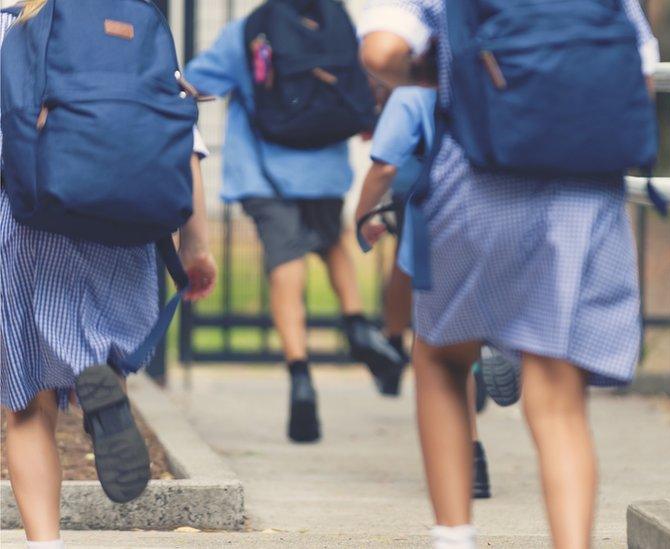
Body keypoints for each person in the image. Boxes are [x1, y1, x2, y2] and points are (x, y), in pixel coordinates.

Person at [358, 0, 659, 546]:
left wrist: (425, 75)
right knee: (558, 394)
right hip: (583, 193)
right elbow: (642, 78)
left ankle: (455, 535)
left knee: (442, 357)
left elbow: (380, 50)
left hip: (476, 182)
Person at [0, 2, 217, 547]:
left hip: (30, 211)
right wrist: (196, 245)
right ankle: (106, 391)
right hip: (124, 216)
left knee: (27, 404)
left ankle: (45, 542)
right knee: (106, 349)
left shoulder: (11, 25)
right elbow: (180, 140)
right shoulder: (135, 25)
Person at [184, 7, 406, 444]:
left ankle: (300, 375)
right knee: (332, 241)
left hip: (263, 172)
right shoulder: (337, 24)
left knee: (286, 260)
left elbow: (192, 84)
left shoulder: (247, 32)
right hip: (323, 166)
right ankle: (357, 323)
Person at [355, 57, 490, 499]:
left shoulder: (412, 96)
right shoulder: (494, 78)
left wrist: (361, 217)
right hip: (506, 206)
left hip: (440, 217)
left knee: (440, 341)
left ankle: (470, 463)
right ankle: (498, 348)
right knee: (486, 310)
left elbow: (386, 167)